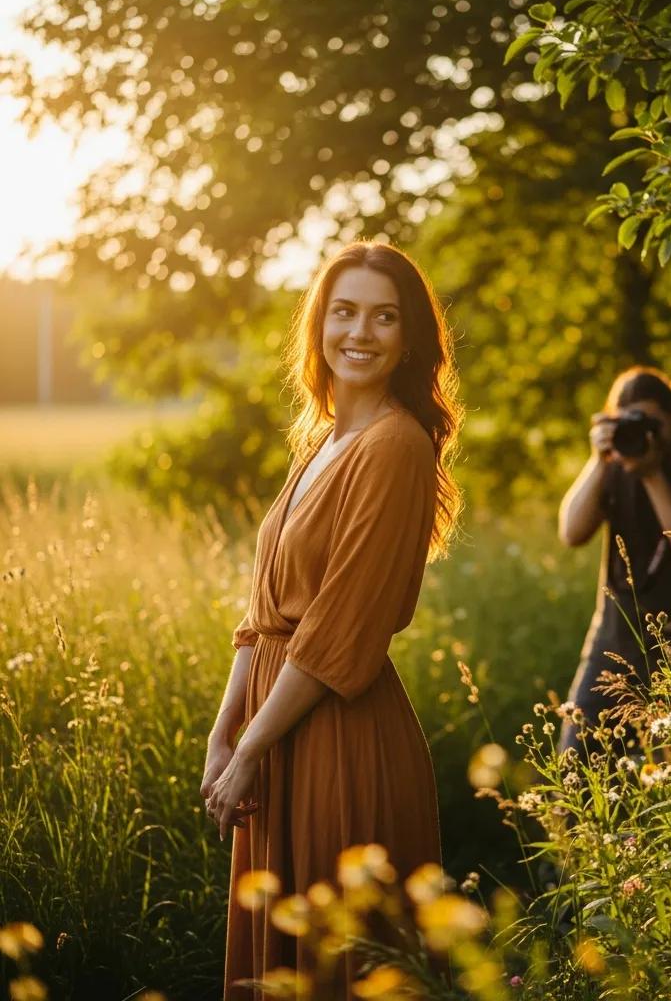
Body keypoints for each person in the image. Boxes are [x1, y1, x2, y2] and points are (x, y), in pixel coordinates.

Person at [200, 241, 462, 998]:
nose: (360, 332)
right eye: (344, 312)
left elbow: (339, 629)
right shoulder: (320, 441)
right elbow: (263, 616)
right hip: (275, 725)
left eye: (385, 318)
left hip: (337, 736)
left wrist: (252, 743)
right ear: (319, 325)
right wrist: (227, 730)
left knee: (333, 965)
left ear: (410, 340)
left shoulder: (395, 447)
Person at [556, 365, 671, 759]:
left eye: (651, 422)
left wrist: (652, 474)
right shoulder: (616, 463)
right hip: (613, 638)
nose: (643, 434)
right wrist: (599, 459)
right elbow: (571, 533)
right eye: (629, 423)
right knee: (577, 764)